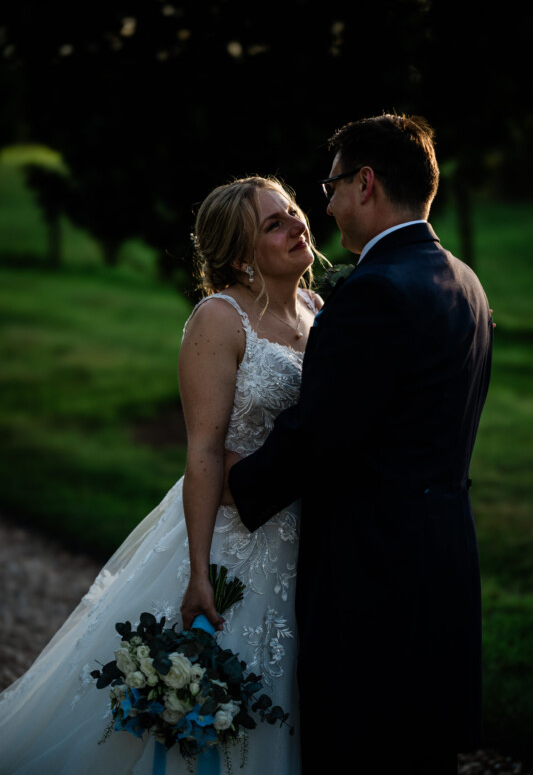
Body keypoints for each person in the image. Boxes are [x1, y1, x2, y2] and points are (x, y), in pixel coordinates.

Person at [0, 175, 324, 774]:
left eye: (294, 211)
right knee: (205, 710)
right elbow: (203, 450)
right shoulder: (219, 319)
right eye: (273, 225)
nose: (297, 226)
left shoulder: (317, 311)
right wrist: (199, 571)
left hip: (299, 537)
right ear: (237, 254)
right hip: (231, 539)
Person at [228, 115, 493, 775]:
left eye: (333, 183)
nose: (327, 202)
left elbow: (321, 434)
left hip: (371, 578)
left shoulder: (374, 292)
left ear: (365, 183)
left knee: (353, 748)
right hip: (444, 563)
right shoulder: (461, 279)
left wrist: (239, 484)